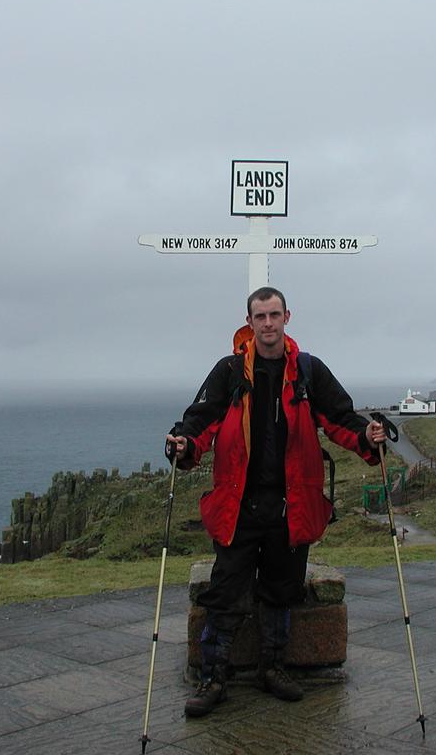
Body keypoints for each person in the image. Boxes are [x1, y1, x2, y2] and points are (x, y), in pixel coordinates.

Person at [166, 286, 386, 718]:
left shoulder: (308, 371)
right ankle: (214, 677)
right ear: (248, 322)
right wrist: (183, 444)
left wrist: (367, 437)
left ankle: (274, 667)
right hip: (238, 505)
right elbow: (200, 422)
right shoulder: (229, 371)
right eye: (259, 316)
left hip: (291, 504)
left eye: (274, 315)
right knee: (226, 591)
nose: (267, 324)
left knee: (281, 591)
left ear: (288, 317)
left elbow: (341, 417)